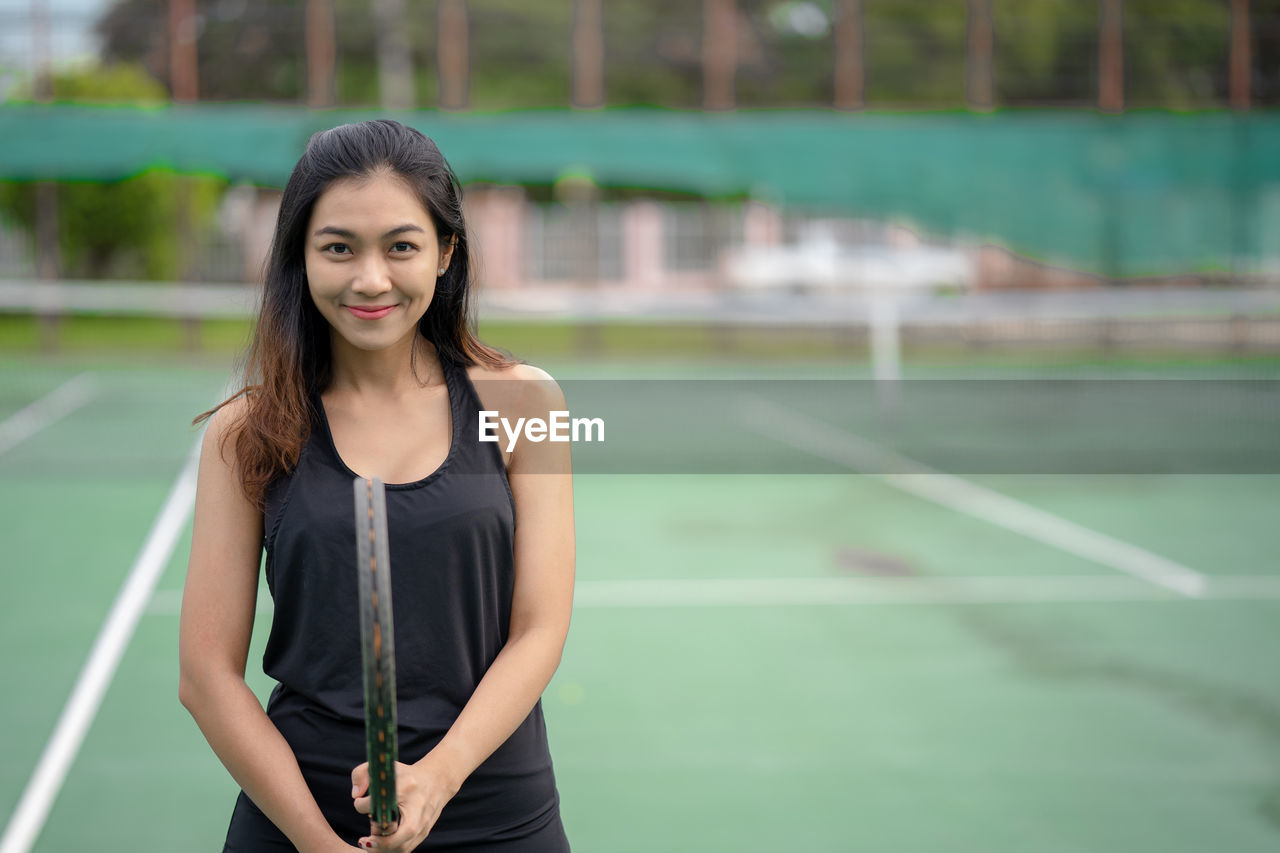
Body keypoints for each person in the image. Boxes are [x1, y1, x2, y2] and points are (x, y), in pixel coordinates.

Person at [179, 119, 574, 852]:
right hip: (302, 811)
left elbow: (540, 628)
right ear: (301, 256)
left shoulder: (525, 405)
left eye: (401, 245)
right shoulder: (245, 431)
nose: (370, 278)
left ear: (446, 253)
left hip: (495, 808)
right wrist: (314, 838)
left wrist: (440, 775)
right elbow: (206, 676)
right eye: (338, 247)